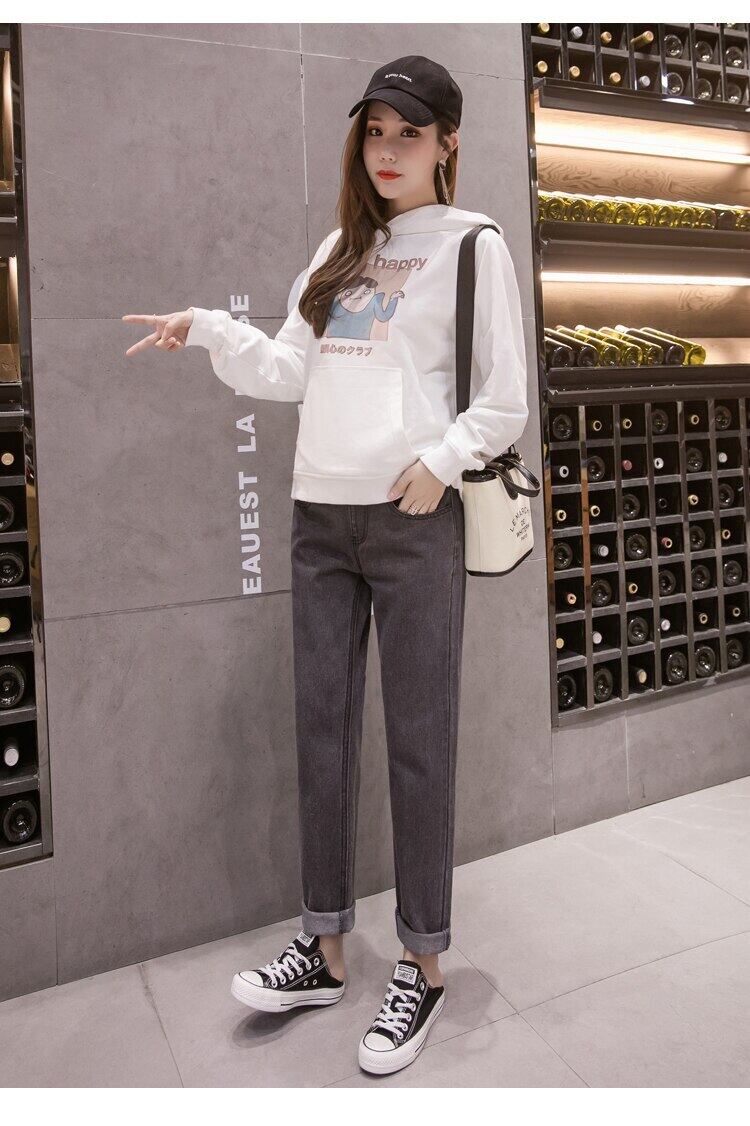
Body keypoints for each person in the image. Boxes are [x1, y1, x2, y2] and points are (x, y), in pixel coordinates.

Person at [122, 54, 529, 1076]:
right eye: (375, 131)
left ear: (447, 144)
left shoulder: (472, 245)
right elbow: (286, 370)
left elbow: (504, 399)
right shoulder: (338, 249)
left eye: (408, 132)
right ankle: (327, 948)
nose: (387, 150)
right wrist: (208, 329)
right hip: (320, 519)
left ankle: (423, 965)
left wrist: (440, 463)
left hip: (411, 520)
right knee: (322, 734)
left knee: (419, 742)